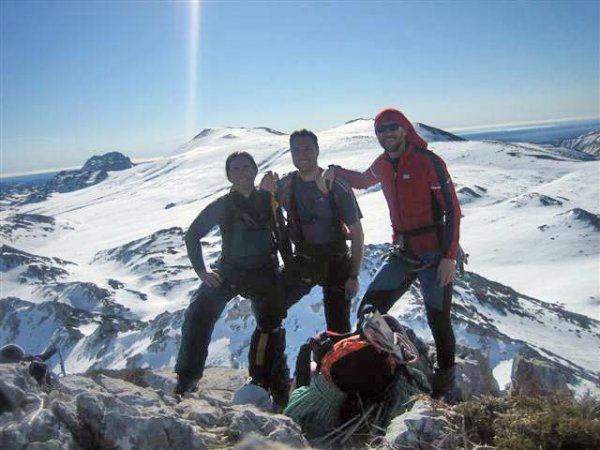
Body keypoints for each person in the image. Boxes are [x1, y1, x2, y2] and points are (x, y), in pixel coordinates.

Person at [323, 108, 461, 399]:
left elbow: (452, 210)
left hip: (434, 253)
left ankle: (445, 382)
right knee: (369, 310)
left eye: (392, 127)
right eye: (380, 130)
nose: (386, 134)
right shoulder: (383, 164)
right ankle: (381, 366)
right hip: (402, 252)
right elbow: (363, 180)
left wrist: (449, 258)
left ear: (404, 129)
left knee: (438, 319)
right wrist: (335, 170)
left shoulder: (428, 161)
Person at [175, 151, 290, 409]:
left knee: (271, 325)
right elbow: (193, 235)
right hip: (230, 272)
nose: (241, 173)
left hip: (264, 272)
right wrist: (202, 271)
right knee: (199, 313)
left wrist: (289, 268)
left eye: (246, 167)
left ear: (255, 170)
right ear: (228, 175)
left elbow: (282, 236)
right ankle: (187, 377)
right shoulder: (223, 204)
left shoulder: (269, 200)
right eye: (235, 169)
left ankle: (267, 382)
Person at [261, 129, 364, 334]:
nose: (302, 154)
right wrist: (263, 186)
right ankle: (274, 353)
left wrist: (353, 275)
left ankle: (340, 353)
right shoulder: (286, 185)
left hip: (336, 262)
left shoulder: (336, 185)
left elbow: (357, 233)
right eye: (296, 150)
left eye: (308, 148)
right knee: (270, 310)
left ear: (317, 150)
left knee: (338, 329)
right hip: (303, 261)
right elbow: (264, 202)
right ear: (291, 154)